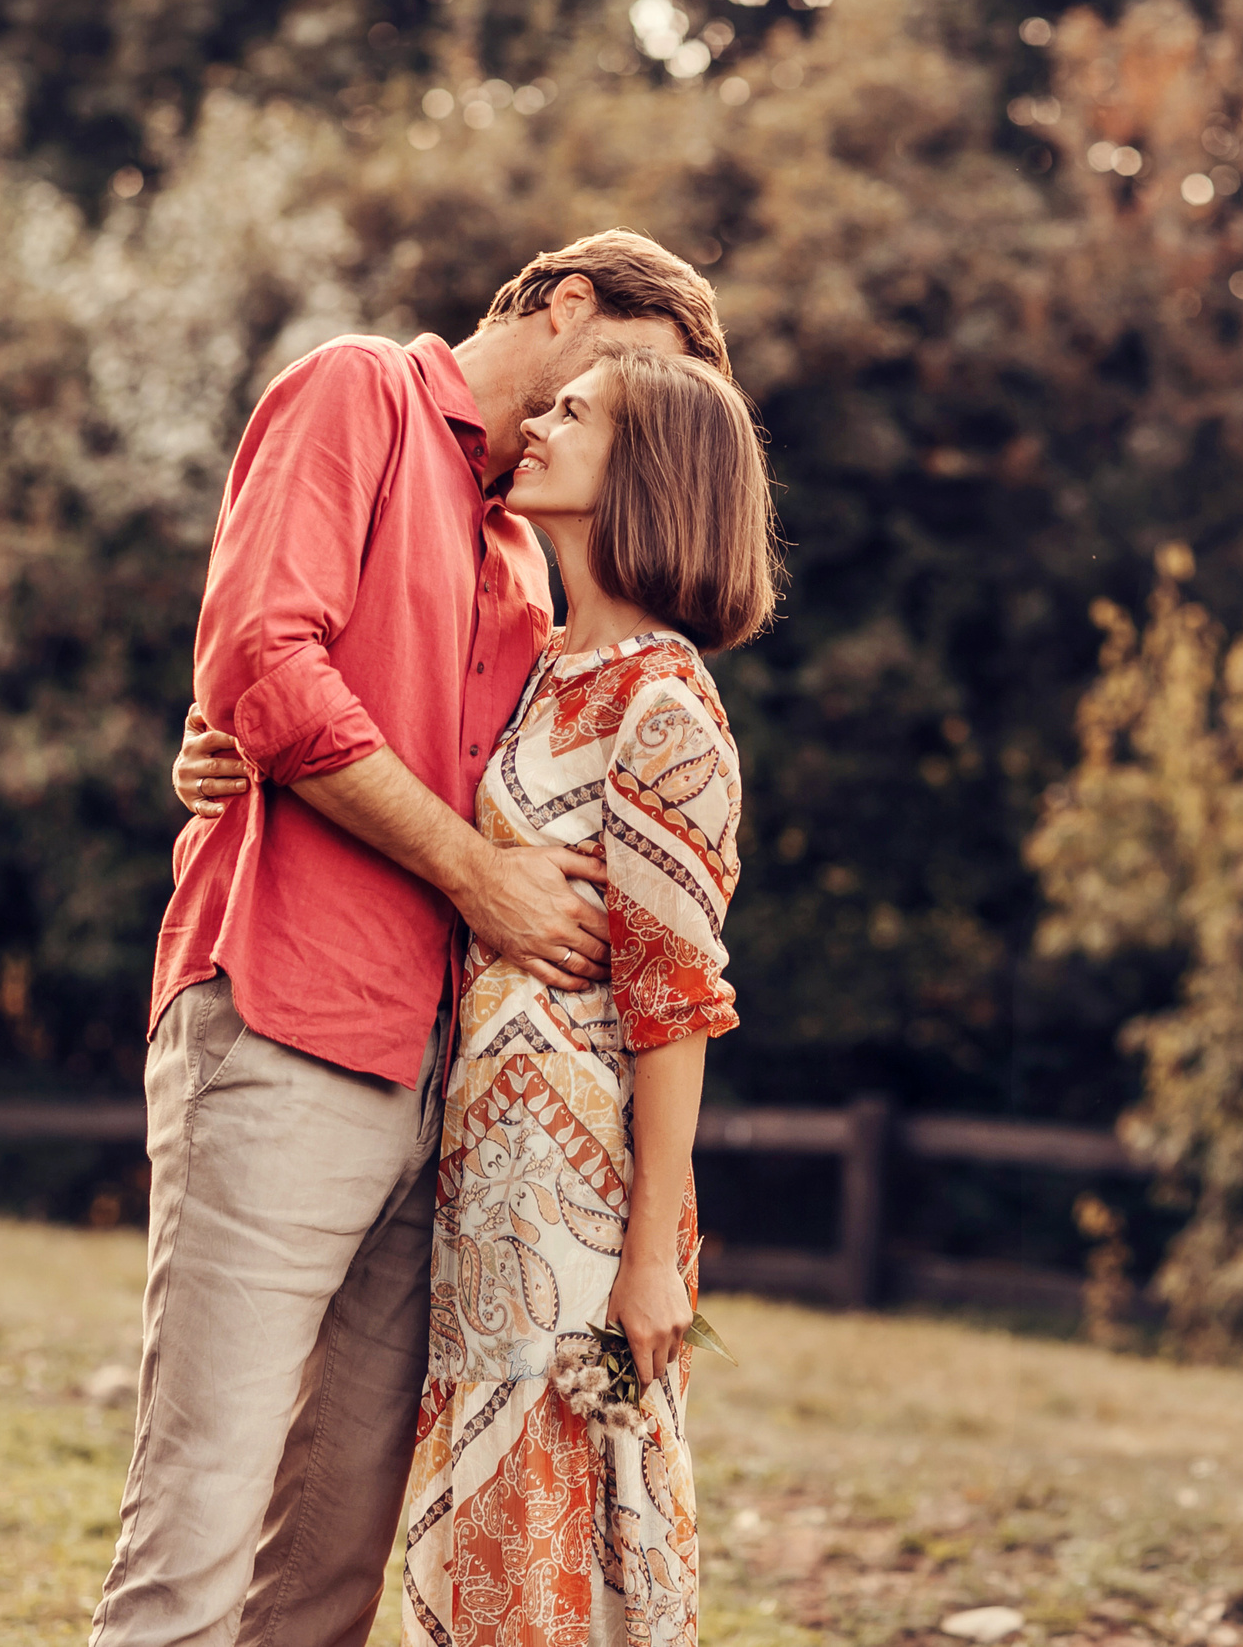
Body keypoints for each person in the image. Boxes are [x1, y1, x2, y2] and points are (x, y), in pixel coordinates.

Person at [92, 232, 728, 1647]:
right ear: (569, 306)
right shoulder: (358, 394)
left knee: (329, 1566)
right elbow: (265, 663)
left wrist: (241, 740)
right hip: (289, 1028)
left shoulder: (528, 558)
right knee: (197, 1528)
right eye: (633, 372)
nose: (635, 419)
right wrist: (470, 871)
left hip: (448, 1106)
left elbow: (437, 760)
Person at [398, 344, 777, 1647]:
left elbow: (676, 1003)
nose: (538, 424)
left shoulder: (665, 703)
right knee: (482, 1533)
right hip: (482, 1173)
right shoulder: (536, 667)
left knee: (564, 1520)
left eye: (576, 414)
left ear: (646, 475)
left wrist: (651, 1259)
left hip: (582, 1201)